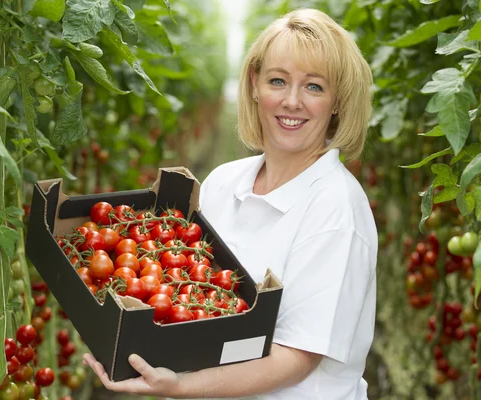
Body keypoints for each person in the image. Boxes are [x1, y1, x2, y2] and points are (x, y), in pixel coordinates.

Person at [83, 8, 377, 400]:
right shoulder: (224, 181)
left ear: (338, 100)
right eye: (278, 80)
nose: (291, 101)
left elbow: (297, 358)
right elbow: (184, 295)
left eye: (314, 87)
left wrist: (182, 386)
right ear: (255, 84)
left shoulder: (336, 210)